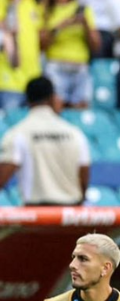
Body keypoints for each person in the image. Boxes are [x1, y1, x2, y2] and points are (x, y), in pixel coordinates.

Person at [0, 76, 90, 206]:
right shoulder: (75, 134)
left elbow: (2, 178)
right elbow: (84, 173)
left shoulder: (18, 134)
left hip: (38, 216)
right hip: (71, 215)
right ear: (53, 98)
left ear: (28, 100)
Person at [39, 0, 99, 110]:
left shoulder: (83, 9)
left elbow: (96, 46)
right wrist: (60, 26)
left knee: (80, 110)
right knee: (56, 108)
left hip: (80, 66)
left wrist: (85, 25)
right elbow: (41, 45)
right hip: (55, 65)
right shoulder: (42, 10)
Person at [0, 0, 41, 111]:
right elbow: (10, 29)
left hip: (31, 80)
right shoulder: (2, 1)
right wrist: (14, 1)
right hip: (8, 81)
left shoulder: (32, 3)